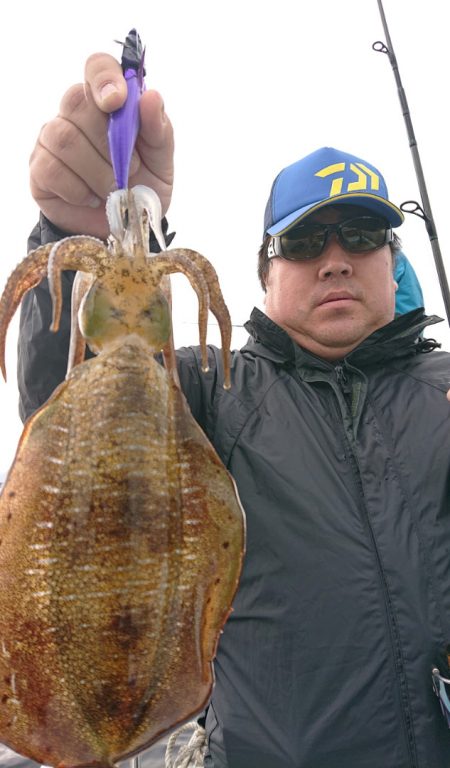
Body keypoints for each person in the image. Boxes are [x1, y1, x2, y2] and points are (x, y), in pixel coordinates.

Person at [9, 52, 450, 768]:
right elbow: (80, 396)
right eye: (305, 242)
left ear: (392, 259)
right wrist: (86, 238)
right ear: (265, 273)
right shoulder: (211, 390)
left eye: (362, 235)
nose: (335, 259)